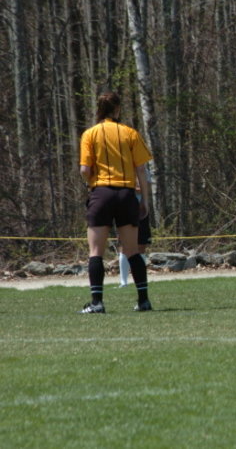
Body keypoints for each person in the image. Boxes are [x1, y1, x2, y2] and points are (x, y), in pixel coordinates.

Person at [79, 91, 153, 313]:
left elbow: (84, 169)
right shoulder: (130, 133)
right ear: (118, 109)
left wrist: (91, 184)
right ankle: (143, 301)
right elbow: (141, 169)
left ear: (99, 109)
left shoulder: (90, 134)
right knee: (132, 250)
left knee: (96, 251)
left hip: (101, 194)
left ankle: (97, 303)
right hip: (126, 194)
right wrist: (144, 200)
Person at [119, 166, 152, 287]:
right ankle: (123, 281)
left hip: (141, 210)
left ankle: (141, 279)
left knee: (141, 245)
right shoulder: (121, 169)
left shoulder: (144, 170)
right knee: (124, 245)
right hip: (126, 209)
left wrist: (137, 188)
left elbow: (146, 188)